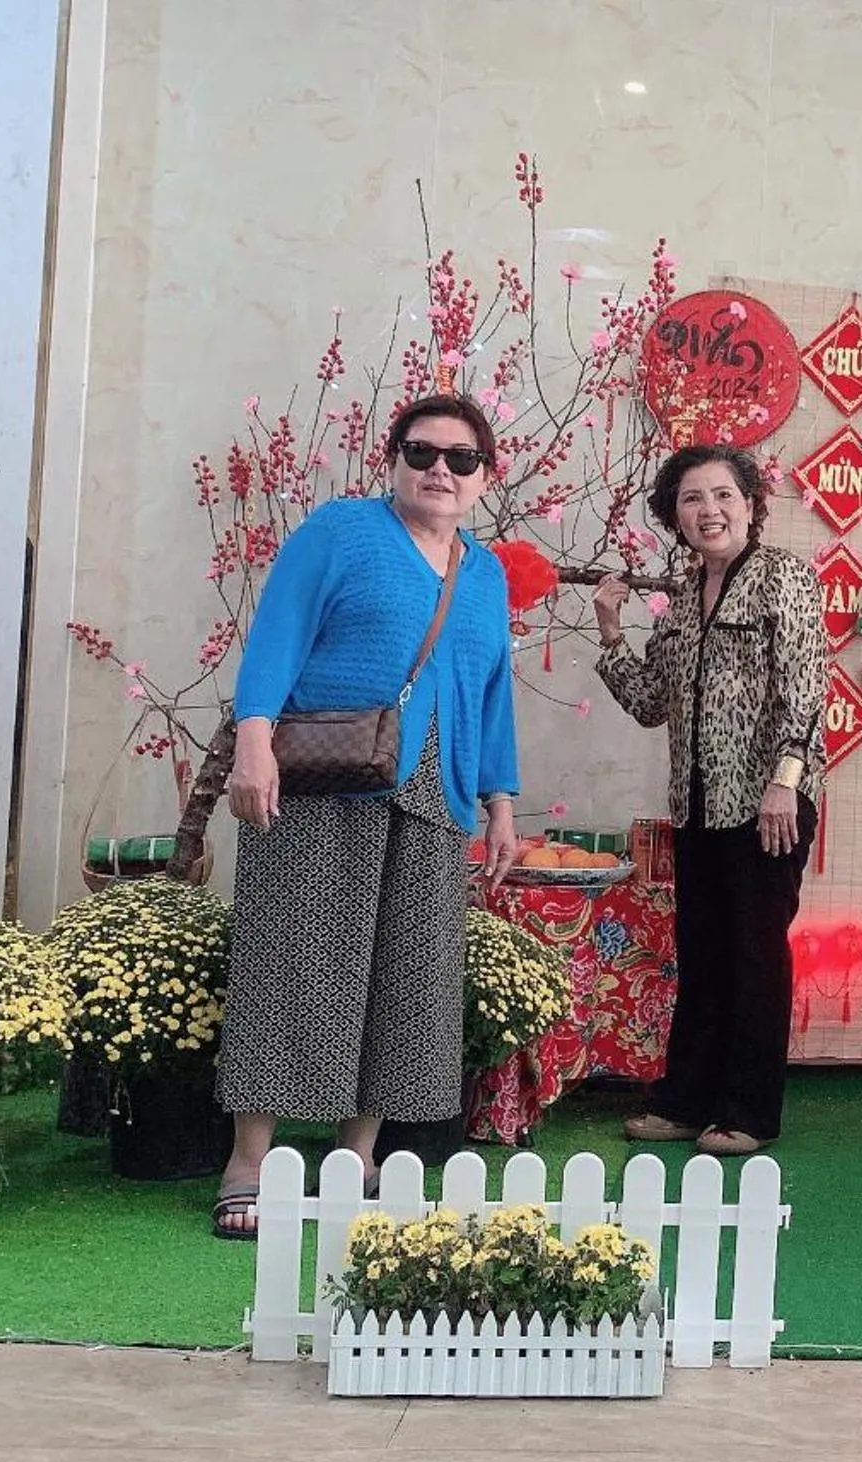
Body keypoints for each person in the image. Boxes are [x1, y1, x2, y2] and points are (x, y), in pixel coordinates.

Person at [208, 393, 521, 1240]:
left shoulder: (485, 572)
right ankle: (250, 1159)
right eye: (423, 453)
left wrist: (499, 801)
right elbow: (276, 634)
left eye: (461, 459)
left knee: (406, 973)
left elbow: (491, 692)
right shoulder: (340, 531)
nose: (439, 471)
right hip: (318, 781)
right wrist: (253, 740)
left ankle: (359, 1156)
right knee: (292, 956)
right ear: (392, 460)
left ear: (483, 477)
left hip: (437, 790)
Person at [595, 443, 826, 1154]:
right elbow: (648, 703)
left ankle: (748, 1112)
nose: (709, 510)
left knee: (756, 957)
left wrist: (784, 782)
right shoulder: (676, 607)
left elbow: (807, 685)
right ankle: (686, 1101)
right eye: (692, 499)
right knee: (701, 954)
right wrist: (610, 633)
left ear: (751, 504)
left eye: (724, 494)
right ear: (675, 517)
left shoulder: (781, 576)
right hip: (696, 808)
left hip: (767, 805)